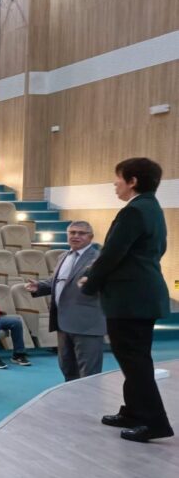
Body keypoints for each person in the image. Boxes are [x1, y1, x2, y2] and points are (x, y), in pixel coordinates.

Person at [82, 158, 173, 442]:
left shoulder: (134, 211)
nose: (115, 183)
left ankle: (155, 422)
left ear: (133, 181)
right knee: (133, 358)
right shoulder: (151, 208)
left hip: (130, 299)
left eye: (118, 177)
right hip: (142, 295)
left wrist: (90, 283)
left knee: (135, 361)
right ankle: (133, 411)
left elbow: (113, 253)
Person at [24, 222, 105, 382]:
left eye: (81, 233)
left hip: (87, 325)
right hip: (63, 323)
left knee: (89, 374)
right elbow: (59, 282)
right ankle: (72, 398)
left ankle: (89, 399)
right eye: (72, 232)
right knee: (68, 369)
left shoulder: (99, 259)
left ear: (90, 237)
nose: (75, 236)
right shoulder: (63, 256)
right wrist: (40, 286)